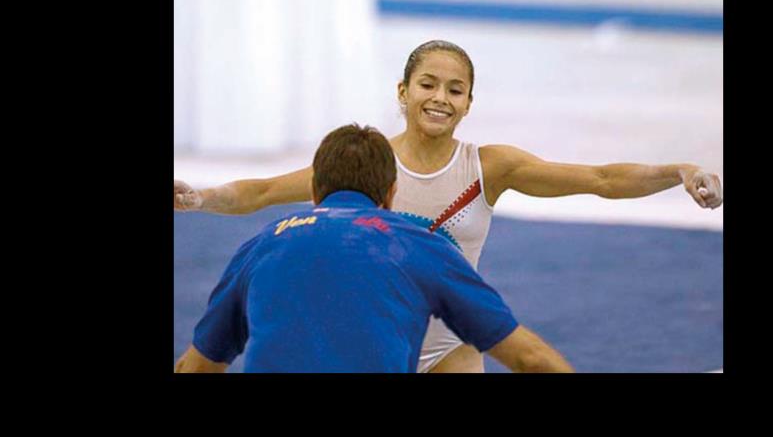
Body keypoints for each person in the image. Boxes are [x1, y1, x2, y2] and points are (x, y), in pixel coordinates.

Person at [174, 40, 722, 373]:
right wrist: (200, 197)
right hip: (378, 339)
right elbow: (263, 192)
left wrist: (679, 172)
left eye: (455, 90)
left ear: (469, 103)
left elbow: (600, 180)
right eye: (428, 84)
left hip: (449, 348)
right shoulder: (367, 161)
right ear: (402, 91)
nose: (440, 98)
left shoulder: (489, 166)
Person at [174, 124, 573, 373]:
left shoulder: (260, 246)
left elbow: (195, 368)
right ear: (391, 192)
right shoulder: (422, 246)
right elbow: (531, 359)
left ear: (314, 192)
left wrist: (201, 198)